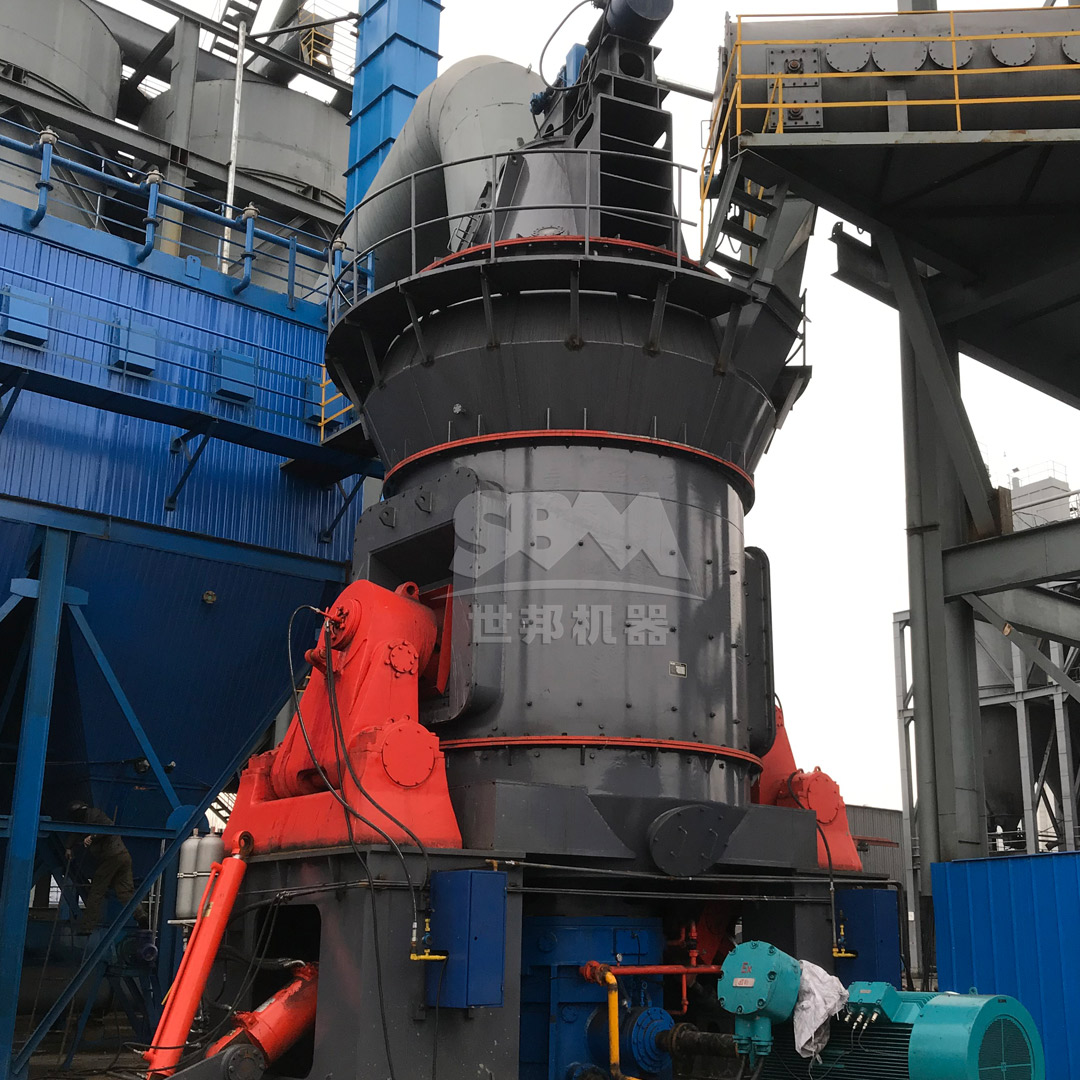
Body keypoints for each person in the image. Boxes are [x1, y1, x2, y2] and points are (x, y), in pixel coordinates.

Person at [65, 801, 149, 931]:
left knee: (96, 891)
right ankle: (141, 917)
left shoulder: (95, 816)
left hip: (111, 857)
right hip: (123, 856)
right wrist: (69, 847)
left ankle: (87, 927)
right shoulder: (87, 818)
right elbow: (76, 832)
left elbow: (108, 827)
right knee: (125, 892)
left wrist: (92, 837)